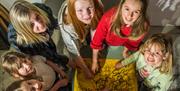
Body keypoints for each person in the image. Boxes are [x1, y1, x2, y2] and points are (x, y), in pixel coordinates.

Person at [7, 0, 72, 71]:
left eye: (37, 17)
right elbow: (48, 55)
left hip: (37, 35)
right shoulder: (24, 44)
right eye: (31, 25)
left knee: (50, 44)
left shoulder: (43, 9)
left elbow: (53, 23)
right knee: (47, 58)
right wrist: (68, 61)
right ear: (26, 30)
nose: (40, 25)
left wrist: (68, 23)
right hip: (30, 43)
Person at [91, 0, 149, 73]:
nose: (129, 15)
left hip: (123, 43)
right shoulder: (108, 18)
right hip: (108, 41)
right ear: (121, 6)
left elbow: (134, 42)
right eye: (127, 9)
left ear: (141, 14)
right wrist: (94, 61)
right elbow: (97, 40)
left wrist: (125, 51)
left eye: (136, 12)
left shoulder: (143, 26)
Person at [58, 0, 103, 78]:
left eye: (90, 7)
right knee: (78, 44)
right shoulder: (68, 28)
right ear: (73, 12)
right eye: (80, 10)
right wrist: (86, 70)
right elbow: (75, 53)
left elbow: (94, 27)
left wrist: (95, 56)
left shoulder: (98, 4)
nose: (86, 15)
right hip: (72, 27)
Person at [1, 51, 69, 91]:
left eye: (25, 61)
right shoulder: (26, 84)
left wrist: (59, 71)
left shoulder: (36, 59)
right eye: (20, 67)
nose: (27, 66)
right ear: (15, 74)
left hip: (57, 75)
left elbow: (47, 61)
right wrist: (59, 84)